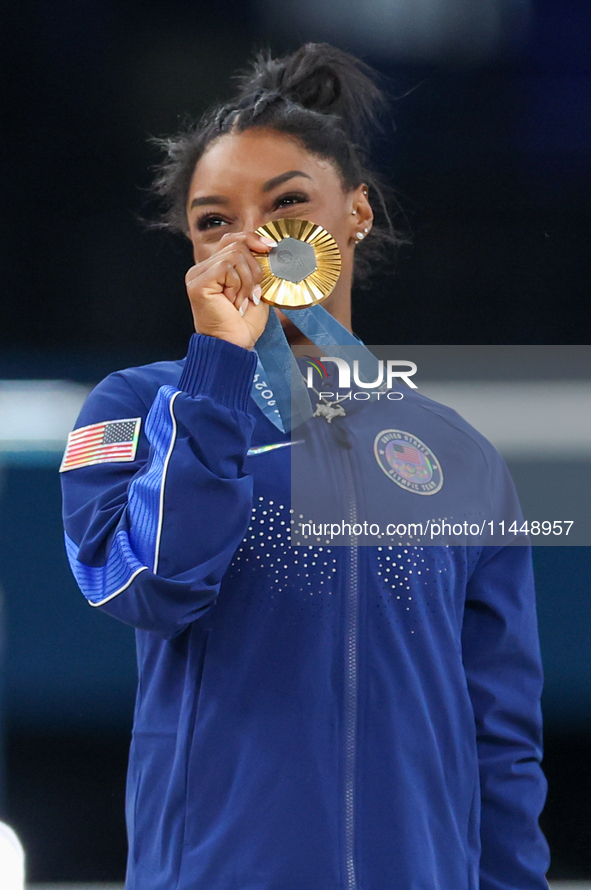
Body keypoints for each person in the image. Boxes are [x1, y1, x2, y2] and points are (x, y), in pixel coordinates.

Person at [60, 43, 550, 890]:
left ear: (354, 214)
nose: (252, 240)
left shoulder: (458, 453)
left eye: (287, 205)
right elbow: (152, 585)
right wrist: (216, 367)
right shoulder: (137, 408)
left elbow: (499, 735)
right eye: (214, 220)